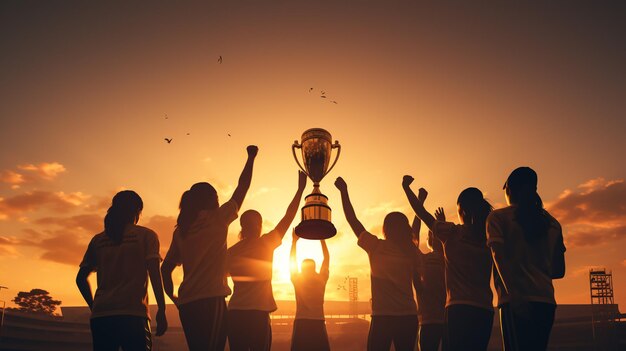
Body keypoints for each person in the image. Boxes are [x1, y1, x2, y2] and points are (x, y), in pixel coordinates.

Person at [161, 145, 258, 351]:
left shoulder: (182, 230)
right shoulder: (218, 218)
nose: (218, 199)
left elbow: (165, 269)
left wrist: (174, 298)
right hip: (211, 300)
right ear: (209, 199)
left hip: (187, 304)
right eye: (215, 195)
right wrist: (251, 158)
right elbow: (243, 187)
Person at [403, 176, 494, 351]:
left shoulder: (452, 232)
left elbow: (421, 212)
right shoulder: (489, 235)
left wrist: (406, 188)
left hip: (458, 309)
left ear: (463, 212)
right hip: (484, 309)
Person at [76, 190, 167, 351]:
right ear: (138, 211)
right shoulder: (146, 236)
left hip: (101, 316)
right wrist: (162, 308)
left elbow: (80, 278)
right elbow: (154, 273)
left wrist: (94, 306)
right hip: (133, 314)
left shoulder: (98, 240)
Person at [335, 177, 419, 351]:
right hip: (408, 315)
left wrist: (344, 191)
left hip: (383, 316)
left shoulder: (376, 246)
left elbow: (353, 220)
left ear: (385, 228)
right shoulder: (411, 251)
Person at [227, 171, 307, 351]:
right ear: (259, 225)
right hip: (257, 314)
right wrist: (300, 189)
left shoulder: (232, 251)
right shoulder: (266, 243)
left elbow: (219, 276)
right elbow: (288, 217)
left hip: (236, 313)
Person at [487, 167, 566, 351]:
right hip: (546, 303)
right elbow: (559, 271)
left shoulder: (498, 218)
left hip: (515, 302)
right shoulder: (553, 223)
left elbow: (498, 256)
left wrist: (514, 294)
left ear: (510, 189)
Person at [289, 232, 331, 351]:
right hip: (318, 321)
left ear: (302, 269)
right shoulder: (321, 279)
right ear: (314, 268)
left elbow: (292, 261)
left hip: (301, 322)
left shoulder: (298, 279)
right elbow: (326, 258)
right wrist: (321, 238)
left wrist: (294, 242)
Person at [411, 209, 446, 351]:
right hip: (427, 319)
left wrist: (442, 224)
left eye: (436, 232)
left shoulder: (449, 256)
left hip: (447, 319)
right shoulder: (423, 259)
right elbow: (412, 241)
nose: (433, 235)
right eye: (431, 233)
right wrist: (419, 208)